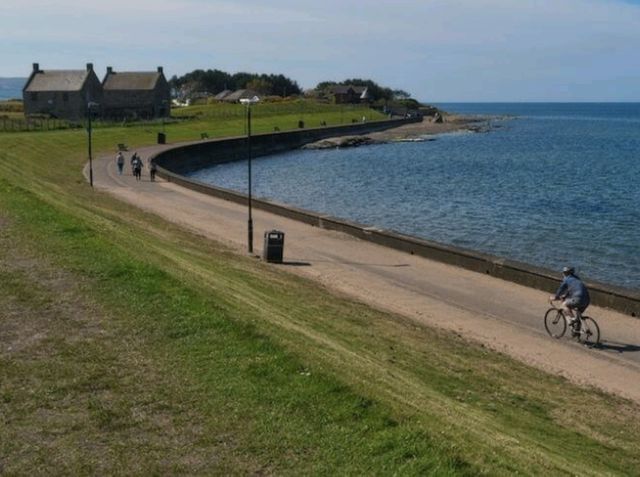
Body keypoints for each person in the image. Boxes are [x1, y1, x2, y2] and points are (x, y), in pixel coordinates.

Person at [550, 266, 590, 335]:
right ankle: (577, 330)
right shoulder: (577, 278)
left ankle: (573, 319)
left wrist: (555, 297)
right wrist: (565, 295)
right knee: (578, 313)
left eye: (563, 272)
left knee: (564, 305)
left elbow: (560, 290)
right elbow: (573, 288)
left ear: (565, 273)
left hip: (578, 298)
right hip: (587, 299)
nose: (563, 274)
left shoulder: (566, 280)